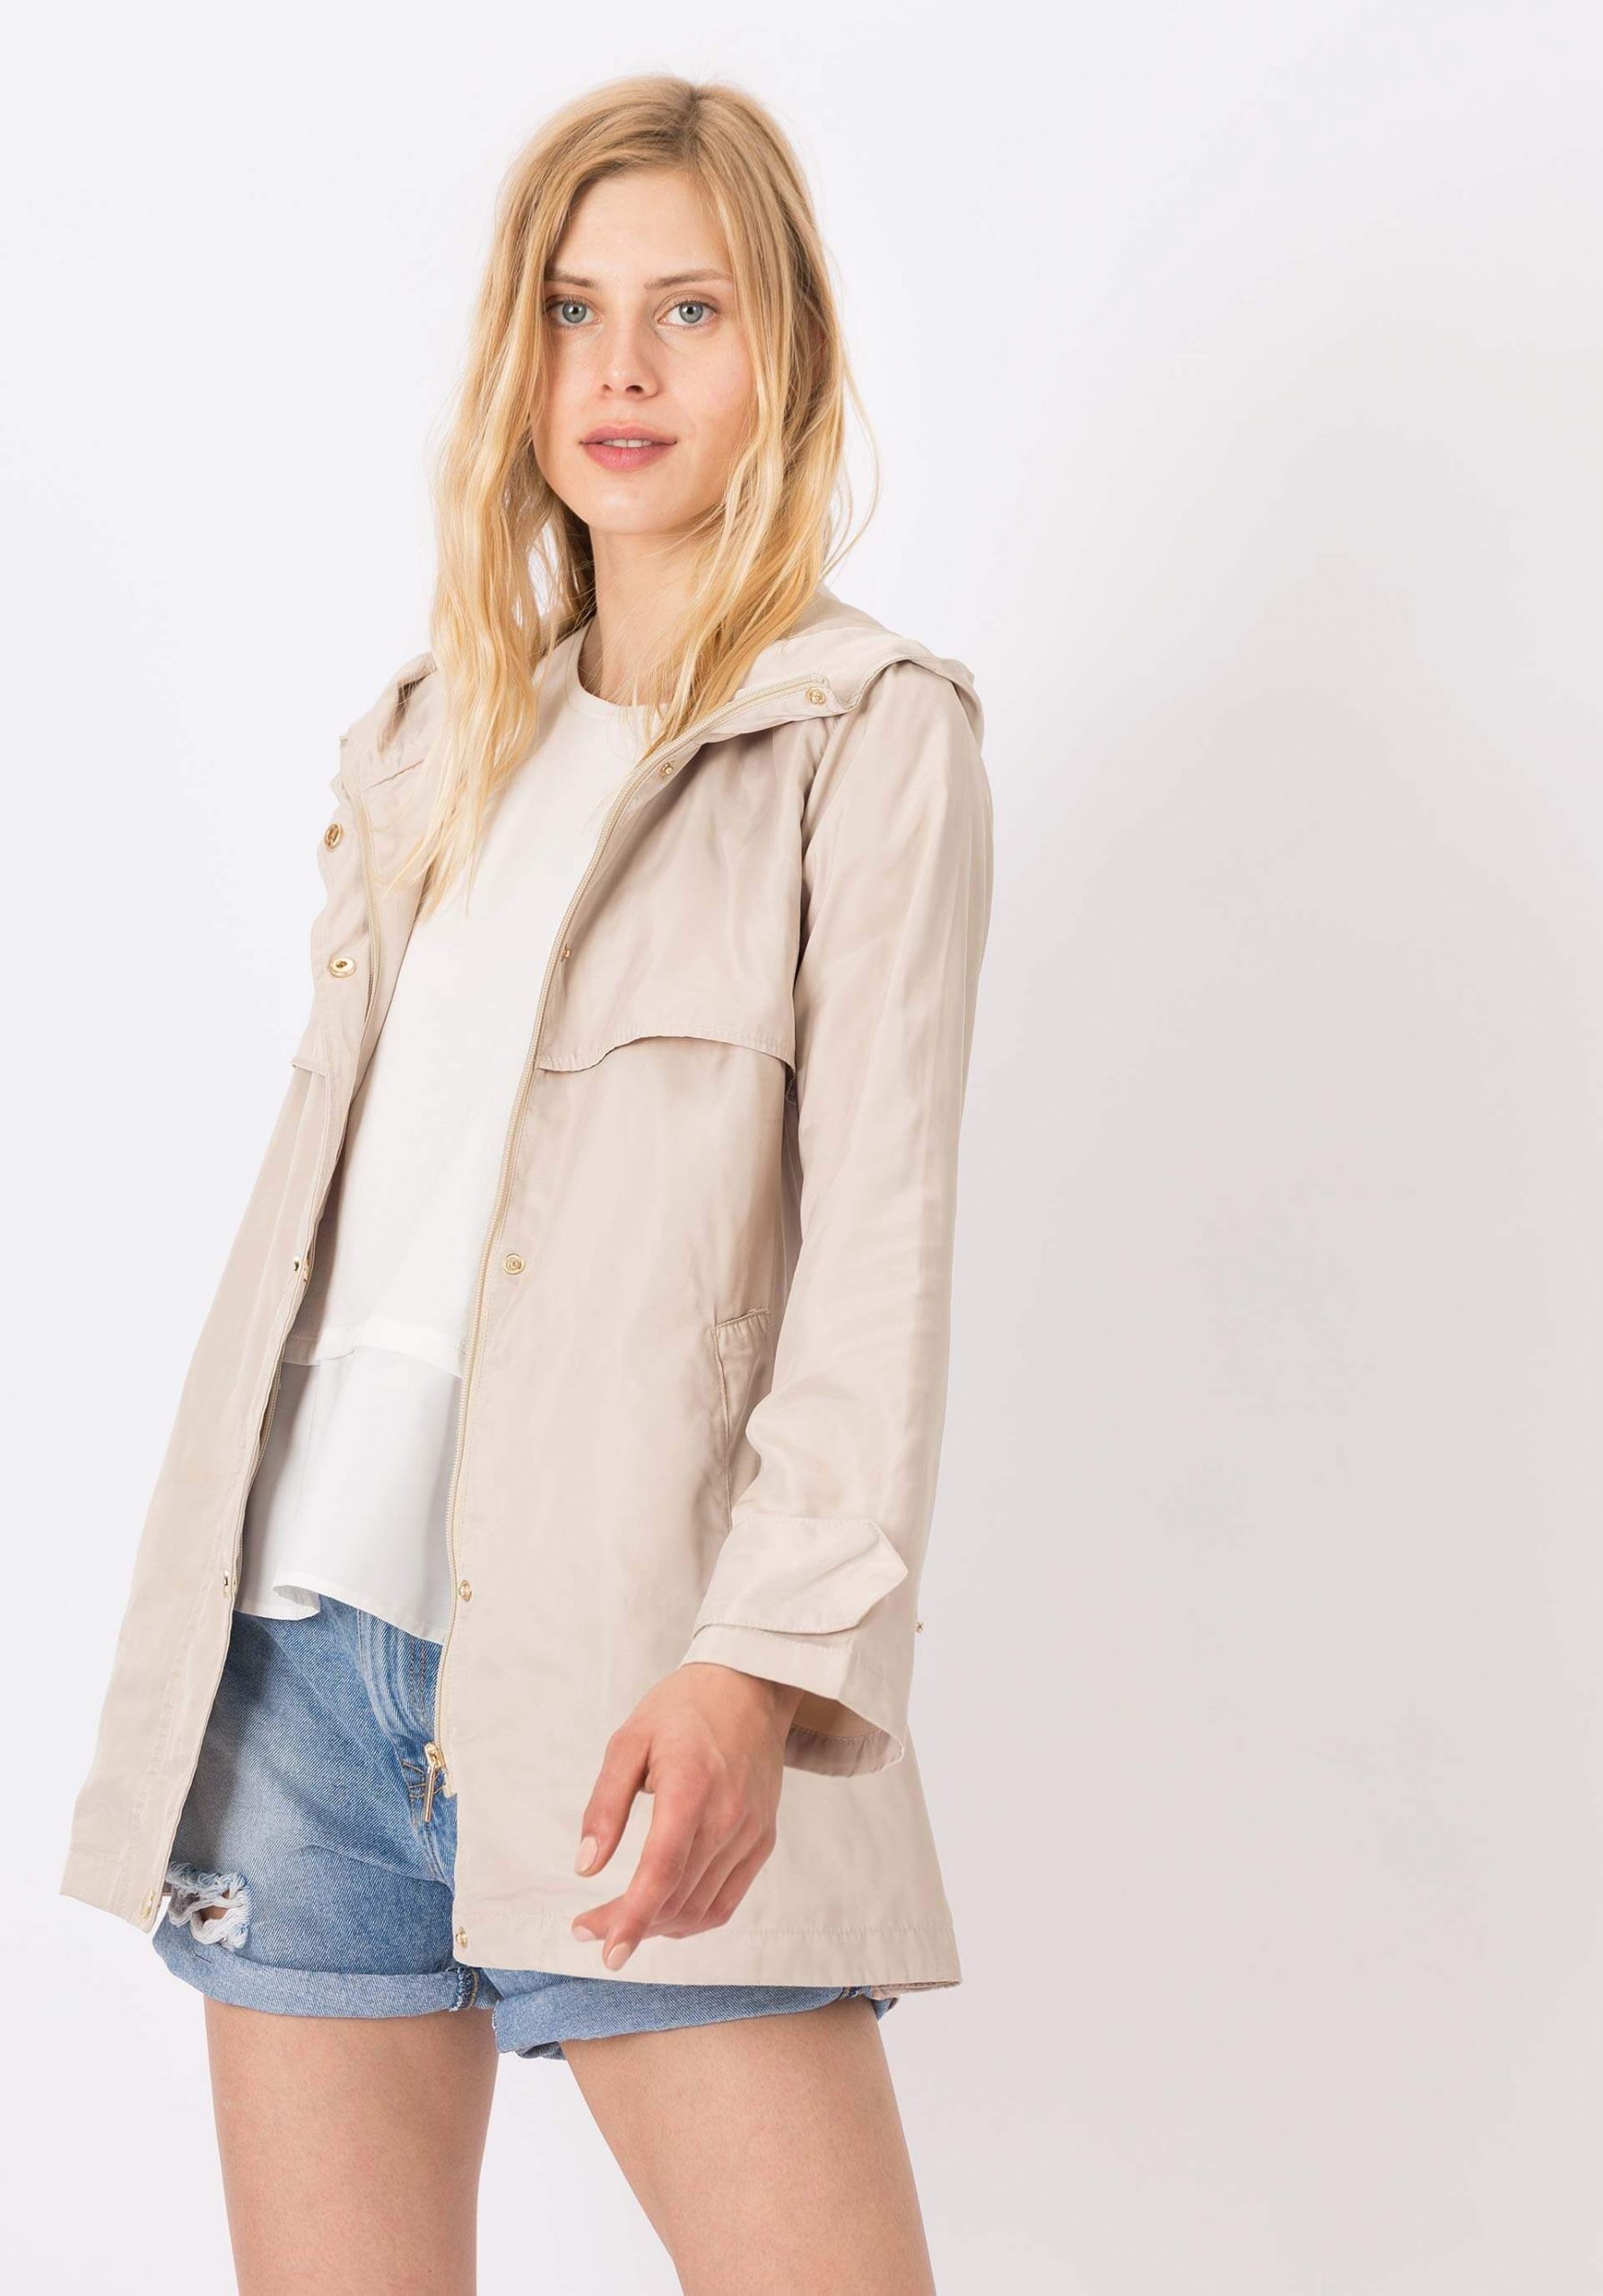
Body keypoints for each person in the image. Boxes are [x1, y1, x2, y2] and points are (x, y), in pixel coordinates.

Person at [60, 72, 994, 2293]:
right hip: (299, 1668)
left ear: (786, 350)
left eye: (691, 308)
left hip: (635, 1665)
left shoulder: (866, 737)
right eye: (575, 310)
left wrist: (760, 1661)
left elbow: (877, 1257)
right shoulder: (424, 741)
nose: (623, 368)